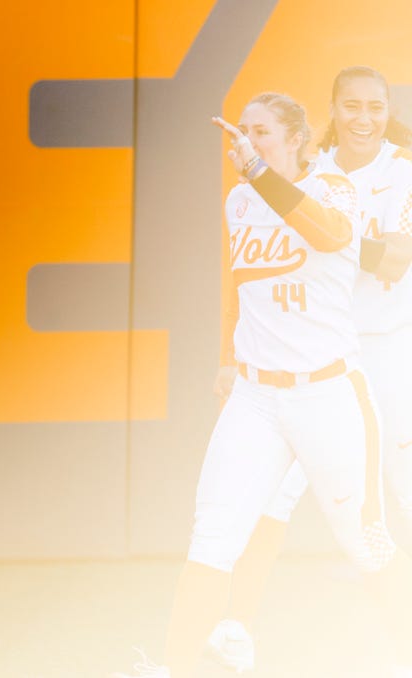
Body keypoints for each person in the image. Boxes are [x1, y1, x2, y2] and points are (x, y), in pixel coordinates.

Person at [112, 91, 408, 678]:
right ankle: (175, 669)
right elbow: (239, 288)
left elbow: (326, 235)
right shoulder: (240, 199)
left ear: (298, 138)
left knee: (366, 544)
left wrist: (257, 170)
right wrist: (227, 356)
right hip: (256, 397)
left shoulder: (333, 188)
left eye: (262, 131)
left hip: (328, 392)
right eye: (241, 131)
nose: (244, 141)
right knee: (212, 538)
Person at [206, 66, 412, 674]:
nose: (363, 119)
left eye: (375, 107)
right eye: (351, 106)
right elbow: (254, 266)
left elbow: (397, 261)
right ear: (332, 108)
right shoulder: (309, 167)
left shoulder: (402, 168)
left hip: (384, 347)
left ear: (386, 111)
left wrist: (330, 238)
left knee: (399, 484)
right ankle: (237, 627)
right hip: (312, 355)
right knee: (273, 493)